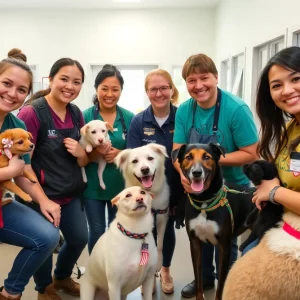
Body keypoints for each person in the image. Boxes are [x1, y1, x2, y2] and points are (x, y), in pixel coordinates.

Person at [172, 53, 259, 298]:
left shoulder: (236, 109)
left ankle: (227, 286)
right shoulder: (185, 111)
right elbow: (178, 152)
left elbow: (252, 152)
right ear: (186, 84)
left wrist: (210, 160)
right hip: (196, 188)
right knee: (199, 235)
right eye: (191, 80)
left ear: (216, 77)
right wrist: (184, 175)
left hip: (231, 188)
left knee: (226, 242)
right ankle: (205, 281)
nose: (198, 86)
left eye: (204, 78)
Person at [17, 58, 89, 300]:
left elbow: (82, 160)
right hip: (41, 196)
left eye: (77, 82)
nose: (70, 86)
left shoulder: (76, 113)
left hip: (70, 194)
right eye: (64, 79)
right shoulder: (32, 112)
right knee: (46, 244)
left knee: (80, 238)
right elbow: (22, 165)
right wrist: (42, 199)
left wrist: (82, 153)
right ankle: (44, 288)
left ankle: (62, 277)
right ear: (51, 79)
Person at [0, 49, 60, 300]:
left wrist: (44, 200)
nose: (13, 94)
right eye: (6, 84)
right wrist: (6, 171)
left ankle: (11, 292)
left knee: (48, 236)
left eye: (21, 89)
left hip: (3, 202)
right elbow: (14, 170)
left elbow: (23, 172)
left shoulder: (17, 127)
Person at [126, 69, 184, 294]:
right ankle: (146, 273)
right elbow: (132, 157)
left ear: (171, 89)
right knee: (144, 231)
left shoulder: (182, 117)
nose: (159, 93)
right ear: (147, 92)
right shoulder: (139, 121)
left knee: (166, 230)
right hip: (145, 188)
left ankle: (166, 270)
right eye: (153, 89)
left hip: (174, 186)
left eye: (163, 88)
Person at [246, 46, 300, 252]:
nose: (287, 90)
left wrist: (274, 192)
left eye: (296, 79)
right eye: (277, 85)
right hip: (283, 226)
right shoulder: (290, 128)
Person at [82, 64, 134, 254]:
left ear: (121, 90)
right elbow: (77, 151)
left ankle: (116, 270)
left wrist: (120, 154)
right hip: (92, 187)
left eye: (115, 89)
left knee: (118, 231)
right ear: (96, 89)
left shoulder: (129, 118)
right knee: (96, 231)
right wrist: (96, 153)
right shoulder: (84, 116)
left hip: (121, 186)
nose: (109, 94)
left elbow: (137, 152)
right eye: (104, 88)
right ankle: (97, 272)